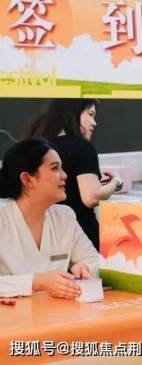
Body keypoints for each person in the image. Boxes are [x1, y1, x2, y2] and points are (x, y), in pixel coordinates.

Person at [0, 138, 100, 299]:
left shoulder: (65, 216)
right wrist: (37, 282)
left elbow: (94, 261)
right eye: (55, 168)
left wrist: (86, 269)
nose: (64, 175)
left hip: (57, 312)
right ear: (27, 179)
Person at [28, 99, 122, 250]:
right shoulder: (82, 147)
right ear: (73, 112)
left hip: (44, 238)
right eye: (90, 114)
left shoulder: (35, 147)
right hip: (81, 237)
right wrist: (116, 181)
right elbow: (91, 197)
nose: (94, 123)